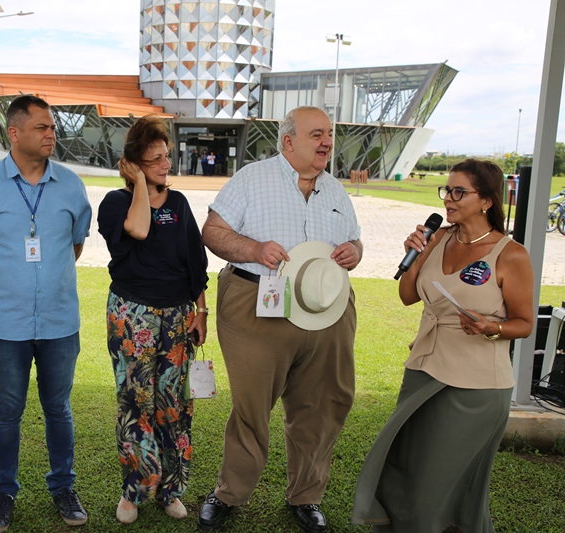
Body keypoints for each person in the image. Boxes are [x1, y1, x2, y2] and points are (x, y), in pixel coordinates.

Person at [198, 106, 363, 533]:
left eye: (329, 133)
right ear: (288, 141)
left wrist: (355, 252)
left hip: (327, 308)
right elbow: (213, 232)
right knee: (252, 406)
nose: (327, 141)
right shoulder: (253, 178)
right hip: (257, 302)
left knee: (323, 405)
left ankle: (306, 496)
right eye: (316, 134)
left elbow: (355, 240)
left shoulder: (335, 190)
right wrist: (253, 249)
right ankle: (230, 494)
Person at [351, 159, 534, 533]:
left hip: (476, 386)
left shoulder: (510, 254)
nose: (448, 199)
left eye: (458, 192)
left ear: (486, 201)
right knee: (405, 467)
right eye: (446, 191)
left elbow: (525, 323)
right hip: (423, 368)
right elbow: (406, 296)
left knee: (443, 481)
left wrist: (490, 326)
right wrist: (415, 253)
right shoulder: (438, 238)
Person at [0, 95, 92, 532]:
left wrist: (44, 283)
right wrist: (5, 286)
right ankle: (4, 492)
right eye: (41, 127)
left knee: (59, 409)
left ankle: (63, 487)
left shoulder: (72, 185)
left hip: (59, 322)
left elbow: (74, 245)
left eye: (52, 126)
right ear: (14, 134)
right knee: (7, 411)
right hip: (6, 323)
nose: (51, 133)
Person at [98, 115, 209, 525]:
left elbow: (196, 262)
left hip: (178, 315)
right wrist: (140, 186)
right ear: (133, 165)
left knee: (174, 406)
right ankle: (134, 491)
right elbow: (139, 229)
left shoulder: (179, 204)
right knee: (135, 402)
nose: (167, 165)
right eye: (155, 160)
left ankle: (170, 489)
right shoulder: (115, 203)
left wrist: (201, 310)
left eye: (167, 156)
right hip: (133, 315)